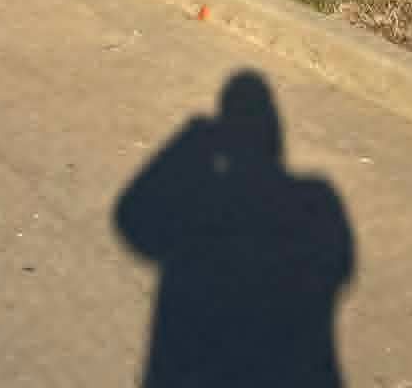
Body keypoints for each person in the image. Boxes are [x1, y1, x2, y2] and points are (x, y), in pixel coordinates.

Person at [114, 72, 354, 386]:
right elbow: (341, 265)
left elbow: (131, 218)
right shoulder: (316, 198)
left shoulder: (207, 200)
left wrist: (187, 141)